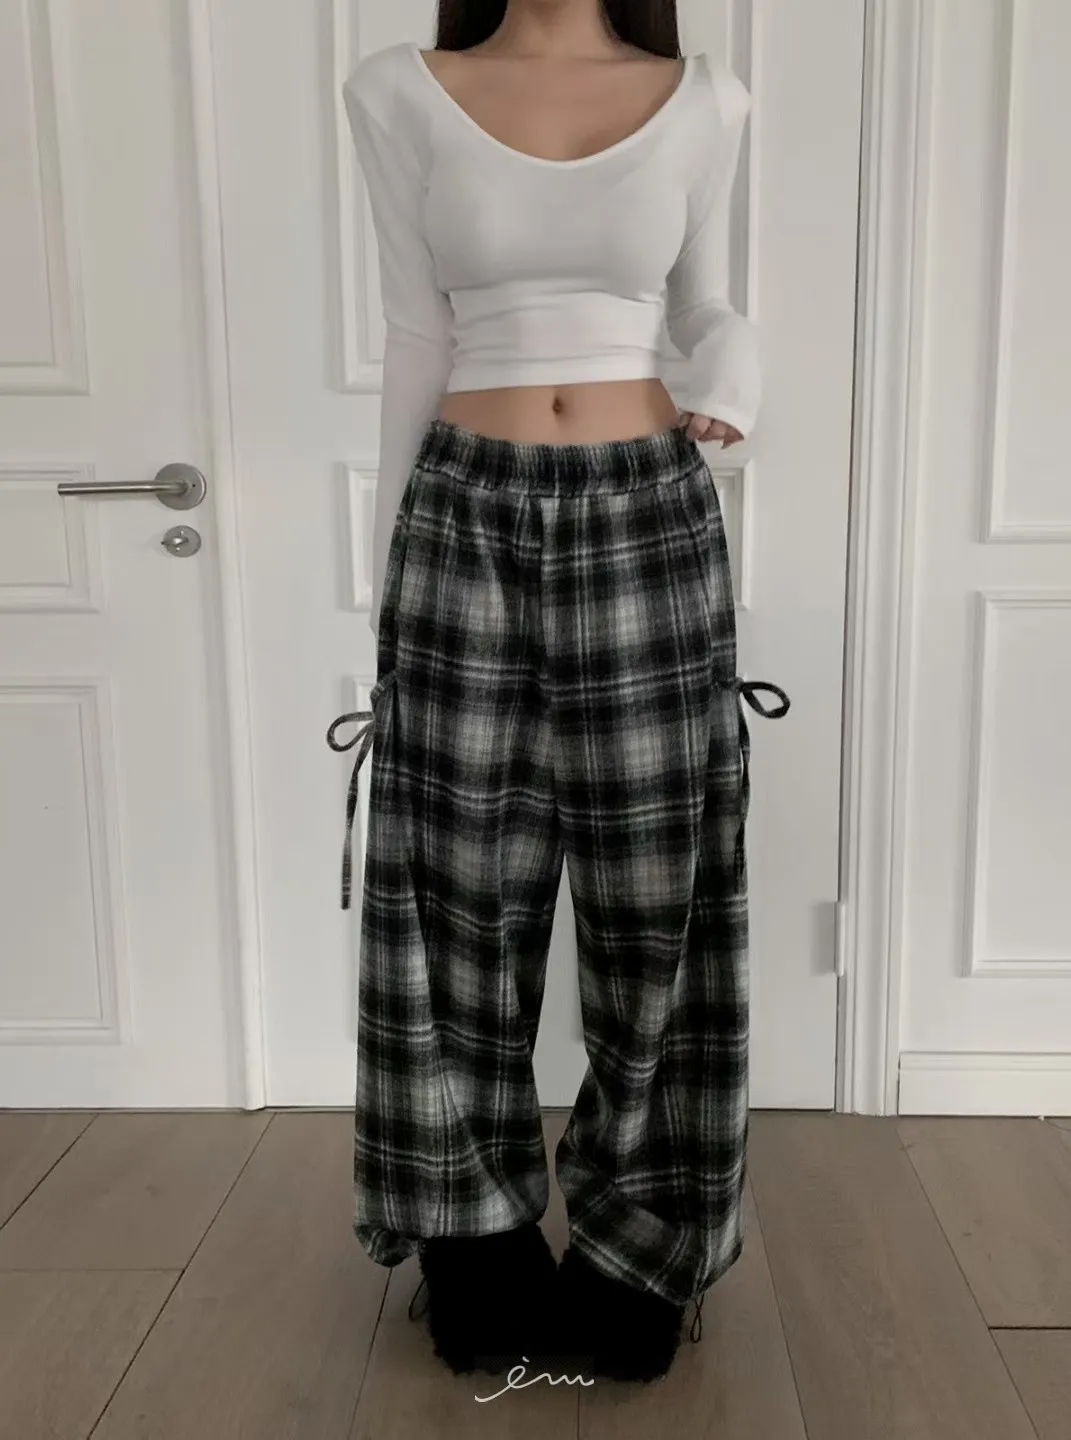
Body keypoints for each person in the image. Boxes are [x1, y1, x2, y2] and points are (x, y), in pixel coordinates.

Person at [326, 0, 790, 1384]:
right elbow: (415, 336)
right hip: (463, 513)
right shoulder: (397, 90)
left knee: (659, 894)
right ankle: (470, 1237)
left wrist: (737, 373)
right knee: (456, 887)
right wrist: (388, 593)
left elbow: (702, 307)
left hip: (648, 512)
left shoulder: (704, 98)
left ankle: (642, 1240)